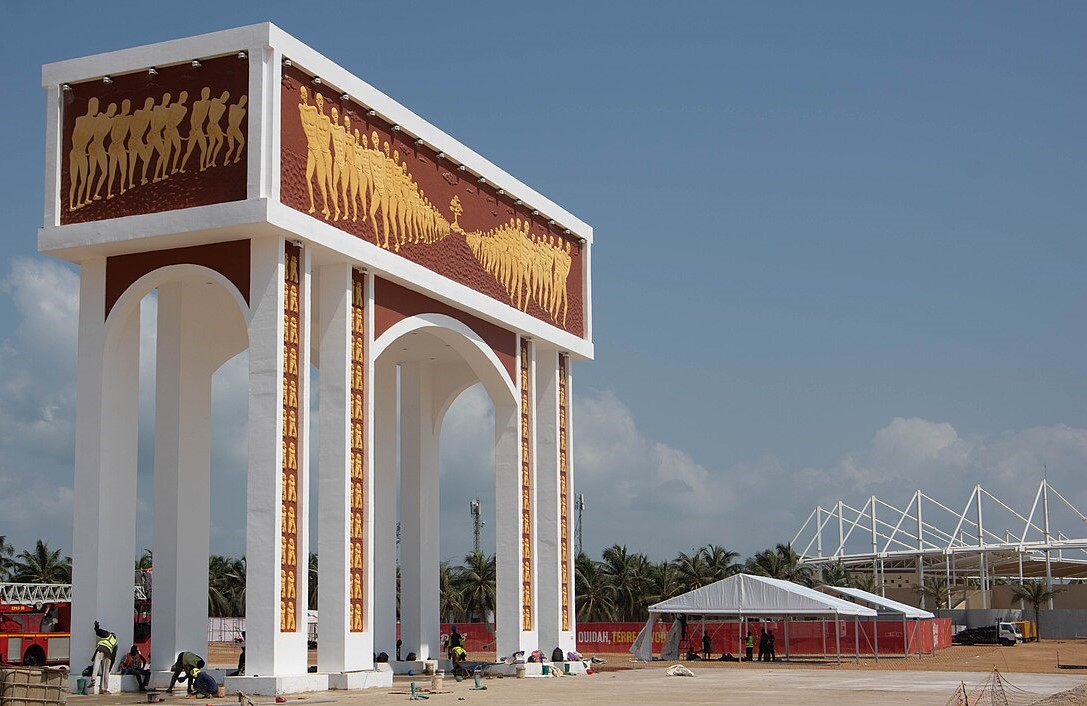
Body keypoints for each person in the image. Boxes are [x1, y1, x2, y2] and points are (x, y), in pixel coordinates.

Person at [89, 621, 118, 694]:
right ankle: (104, 689)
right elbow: (114, 656)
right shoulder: (115, 643)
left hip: (101, 649)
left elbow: (98, 631)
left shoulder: (107, 634)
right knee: (106, 672)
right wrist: (110, 667)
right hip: (108, 655)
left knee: (96, 663)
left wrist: (96, 627)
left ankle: (93, 679)